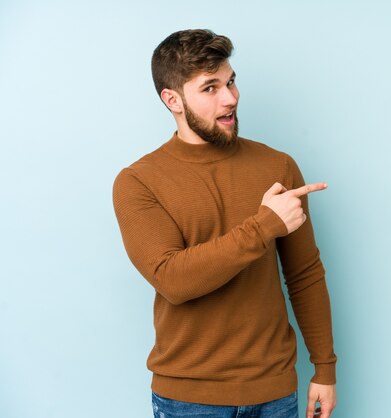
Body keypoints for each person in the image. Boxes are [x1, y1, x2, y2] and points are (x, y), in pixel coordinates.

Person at [111, 29, 338, 418]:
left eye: (231, 81)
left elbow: (304, 274)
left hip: (276, 392)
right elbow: (174, 280)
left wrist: (325, 369)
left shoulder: (277, 166)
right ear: (173, 100)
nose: (230, 97)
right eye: (210, 87)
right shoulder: (138, 182)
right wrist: (264, 224)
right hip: (188, 400)